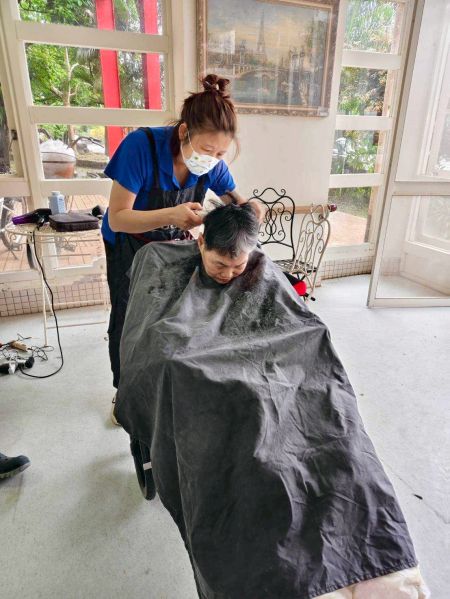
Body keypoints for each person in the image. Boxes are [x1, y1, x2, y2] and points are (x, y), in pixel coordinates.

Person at [115, 204, 429, 599]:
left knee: (341, 446)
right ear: (201, 243)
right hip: (205, 376)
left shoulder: (261, 268)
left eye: (237, 266)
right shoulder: (159, 262)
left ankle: (377, 564)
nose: (229, 274)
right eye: (219, 265)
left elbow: (303, 327)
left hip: (284, 368)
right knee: (247, 456)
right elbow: (158, 347)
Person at [102, 73, 264, 423]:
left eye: (220, 154)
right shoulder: (140, 148)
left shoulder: (212, 163)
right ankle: (124, 393)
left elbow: (236, 200)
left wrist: (250, 207)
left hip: (171, 246)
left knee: (168, 313)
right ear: (184, 132)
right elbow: (118, 218)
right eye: (207, 150)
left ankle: (165, 383)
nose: (213, 159)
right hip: (128, 242)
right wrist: (172, 215)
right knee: (129, 317)